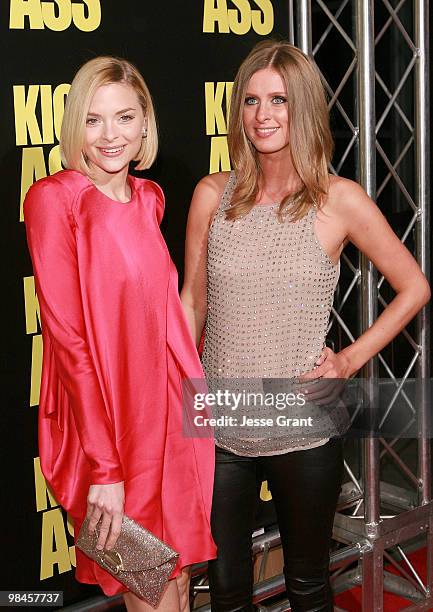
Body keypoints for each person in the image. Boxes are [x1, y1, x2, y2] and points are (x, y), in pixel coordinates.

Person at [180, 40, 430, 611]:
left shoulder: (339, 201)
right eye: (251, 100)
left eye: (279, 100)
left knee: (309, 589)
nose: (263, 115)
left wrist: (347, 360)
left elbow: (414, 287)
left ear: (306, 109)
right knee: (224, 592)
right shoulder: (211, 196)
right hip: (220, 422)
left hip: (303, 423)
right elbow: (192, 303)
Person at [24, 56, 216, 612]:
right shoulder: (53, 200)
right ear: (74, 126)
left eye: (124, 117)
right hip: (107, 432)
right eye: (93, 119)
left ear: (145, 124)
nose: (110, 135)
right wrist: (105, 469)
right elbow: (69, 341)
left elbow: (160, 319)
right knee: (146, 586)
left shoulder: (150, 199)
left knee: (176, 579)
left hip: (166, 424)